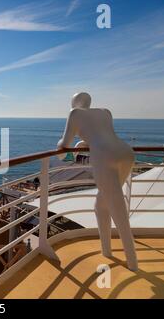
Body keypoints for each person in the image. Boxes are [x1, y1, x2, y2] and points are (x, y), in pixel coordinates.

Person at [57, 92, 138, 271]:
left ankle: (133, 263)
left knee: (118, 212)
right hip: (126, 152)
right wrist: (83, 143)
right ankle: (106, 251)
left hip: (105, 156)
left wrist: (62, 147)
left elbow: (64, 146)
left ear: (74, 103)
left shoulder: (75, 113)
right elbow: (101, 135)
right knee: (101, 205)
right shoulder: (105, 112)